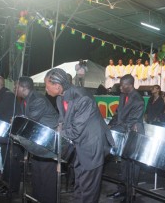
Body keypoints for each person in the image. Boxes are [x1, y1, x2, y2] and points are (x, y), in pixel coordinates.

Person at [44, 68, 114, 203]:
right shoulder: (60, 98)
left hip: (92, 146)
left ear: (57, 86)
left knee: (88, 190)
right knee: (80, 185)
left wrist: (54, 134)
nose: (46, 89)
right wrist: (53, 129)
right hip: (79, 145)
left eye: (47, 86)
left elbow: (75, 130)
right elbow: (63, 122)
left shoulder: (82, 99)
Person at [14, 76, 58, 203]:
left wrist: (17, 123)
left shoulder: (37, 100)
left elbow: (29, 123)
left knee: (47, 178)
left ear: (23, 87)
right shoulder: (25, 101)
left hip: (48, 144)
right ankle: (37, 199)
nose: (14, 89)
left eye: (16, 86)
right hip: (38, 144)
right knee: (37, 176)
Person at [107, 74, 144, 203]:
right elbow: (118, 113)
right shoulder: (123, 95)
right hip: (123, 130)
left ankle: (131, 194)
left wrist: (115, 129)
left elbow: (130, 121)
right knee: (123, 163)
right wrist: (111, 124)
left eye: (122, 85)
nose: (120, 87)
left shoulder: (138, 100)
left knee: (132, 166)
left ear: (130, 85)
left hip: (133, 132)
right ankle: (121, 189)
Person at [0, 76, 23, 197]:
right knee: (6, 163)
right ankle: (6, 185)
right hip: (5, 135)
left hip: (12, 136)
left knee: (11, 164)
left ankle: (12, 189)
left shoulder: (7, 96)